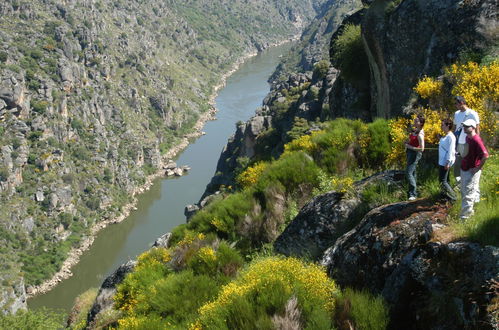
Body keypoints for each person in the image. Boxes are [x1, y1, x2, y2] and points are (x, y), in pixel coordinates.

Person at [459, 118, 488, 219]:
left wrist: (477, 168)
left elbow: (485, 156)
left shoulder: (476, 140)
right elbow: (468, 151)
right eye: (464, 126)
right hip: (465, 168)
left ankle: (465, 218)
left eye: (466, 126)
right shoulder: (468, 137)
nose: (464, 128)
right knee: (464, 192)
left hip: (472, 170)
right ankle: (469, 214)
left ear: (473, 128)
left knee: (468, 194)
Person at [453, 96, 480, 183]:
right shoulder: (456, 113)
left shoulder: (472, 113)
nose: (455, 105)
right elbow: (455, 128)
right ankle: (459, 183)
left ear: (461, 103)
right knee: (458, 164)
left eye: (456, 104)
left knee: (468, 163)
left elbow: (477, 130)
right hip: (459, 143)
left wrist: (476, 144)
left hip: (468, 143)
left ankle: (469, 181)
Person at [405, 115, 425, 200]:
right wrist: (407, 142)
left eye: (416, 121)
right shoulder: (415, 131)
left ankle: (412, 194)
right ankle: (413, 193)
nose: (414, 122)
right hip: (410, 153)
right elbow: (412, 141)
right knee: (413, 173)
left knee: (408, 173)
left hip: (415, 154)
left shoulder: (420, 134)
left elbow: (422, 148)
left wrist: (409, 147)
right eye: (415, 120)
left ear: (421, 123)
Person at [438, 119, 457, 201]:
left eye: (442, 125)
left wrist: (448, 162)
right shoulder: (446, 136)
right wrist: (440, 138)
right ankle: (445, 196)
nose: (441, 126)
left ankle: (453, 197)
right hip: (442, 160)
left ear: (448, 126)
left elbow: (451, 150)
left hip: (445, 161)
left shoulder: (451, 137)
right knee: (445, 180)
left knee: (443, 181)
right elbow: (444, 145)